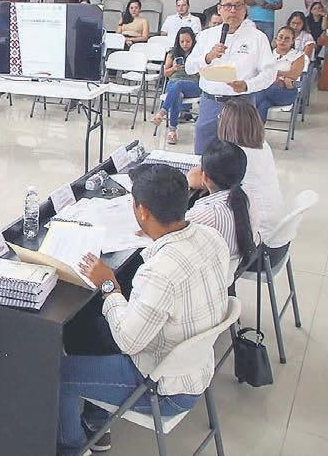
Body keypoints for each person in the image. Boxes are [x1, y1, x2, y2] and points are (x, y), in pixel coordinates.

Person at [57, 164, 229, 456]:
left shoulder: (159, 272)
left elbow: (128, 341)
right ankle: (97, 424)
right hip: (194, 366)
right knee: (92, 327)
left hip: (162, 387)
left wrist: (109, 286)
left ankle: (72, 448)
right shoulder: (211, 237)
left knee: (57, 373)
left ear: (143, 212)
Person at [185, 0, 276, 155]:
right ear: (219, 9)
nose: (233, 10)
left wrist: (247, 85)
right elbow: (189, 67)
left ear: (245, 9)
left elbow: (270, 73)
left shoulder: (257, 38)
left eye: (238, 6)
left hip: (241, 102)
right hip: (210, 102)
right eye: (228, 6)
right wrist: (208, 57)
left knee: (241, 155)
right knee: (204, 155)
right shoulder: (206, 36)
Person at [210, 97, 286, 249]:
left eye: (221, 117)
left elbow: (197, 179)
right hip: (277, 234)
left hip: (258, 241)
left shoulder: (234, 155)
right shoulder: (263, 145)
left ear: (228, 125)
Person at [186, 140, 258, 283]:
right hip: (231, 270)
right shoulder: (248, 195)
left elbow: (167, 234)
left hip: (204, 281)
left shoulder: (205, 214)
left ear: (204, 177)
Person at [152, 27, 200, 145]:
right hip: (174, 84)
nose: (185, 44)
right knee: (177, 94)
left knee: (178, 85)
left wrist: (192, 69)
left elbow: (203, 73)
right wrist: (174, 68)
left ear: (193, 41)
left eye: (188, 41)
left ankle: (162, 112)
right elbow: (165, 73)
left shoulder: (198, 53)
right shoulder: (172, 53)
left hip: (192, 85)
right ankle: (172, 132)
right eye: (182, 41)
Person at [252, 27, 306, 121]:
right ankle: (256, 129)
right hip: (267, 89)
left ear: (292, 41)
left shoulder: (298, 55)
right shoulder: (268, 53)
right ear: (276, 38)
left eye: (287, 39)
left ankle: (243, 114)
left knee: (259, 93)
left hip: (287, 91)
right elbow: (258, 71)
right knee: (263, 104)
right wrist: (277, 76)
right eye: (280, 37)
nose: (283, 41)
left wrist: (272, 74)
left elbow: (293, 75)